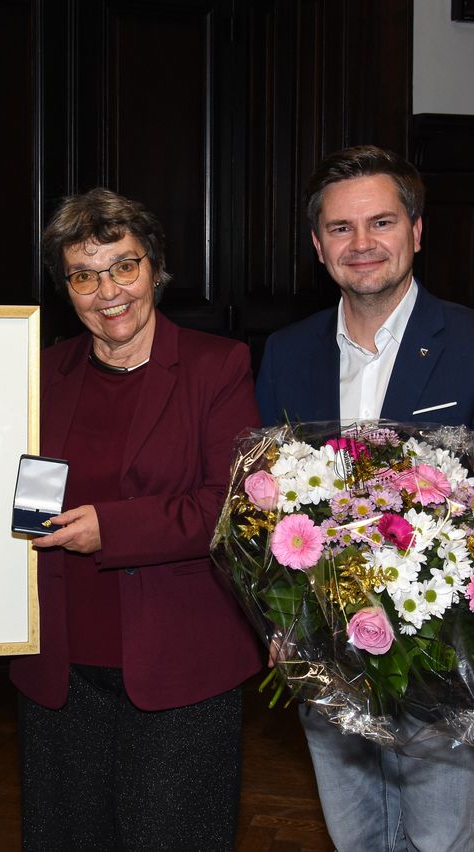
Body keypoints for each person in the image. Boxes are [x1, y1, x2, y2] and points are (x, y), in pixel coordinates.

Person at [9, 188, 263, 850]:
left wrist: (111, 530)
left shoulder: (217, 367)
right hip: (59, 671)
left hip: (180, 668)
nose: (108, 291)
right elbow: (10, 500)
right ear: (65, 287)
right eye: (84, 275)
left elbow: (226, 506)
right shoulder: (40, 372)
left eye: (124, 265)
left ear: (153, 266)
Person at [256, 145, 474, 852]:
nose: (362, 244)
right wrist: (279, 619)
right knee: (354, 837)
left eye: (380, 222)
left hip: (446, 656)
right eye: (341, 229)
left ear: (417, 230)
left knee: (441, 841)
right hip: (328, 647)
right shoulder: (286, 353)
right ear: (318, 245)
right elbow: (263, 503)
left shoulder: (469, 340)